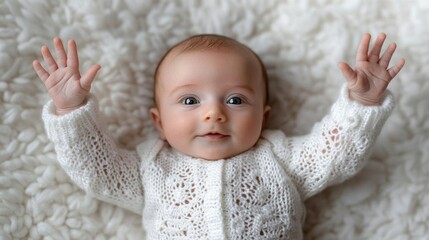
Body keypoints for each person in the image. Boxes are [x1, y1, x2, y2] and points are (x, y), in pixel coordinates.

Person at [34, 33, 405, 239]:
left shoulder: (278, 159)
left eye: (235, 99)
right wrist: (72, 112)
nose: (214, 112)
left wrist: (361, 102)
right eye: (190, 100)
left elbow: (334, 154)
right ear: (158, 122)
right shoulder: (151, 170)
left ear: (264, 117)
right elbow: (97, 170)